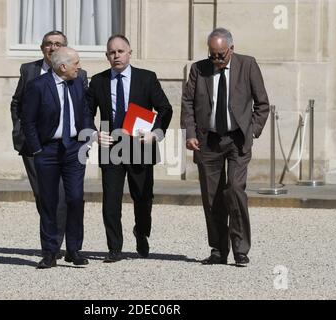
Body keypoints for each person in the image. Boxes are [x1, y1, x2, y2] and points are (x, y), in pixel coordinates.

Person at [181, 28, 269, 267]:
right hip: (208, 140)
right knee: (212, 198)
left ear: (231, 48)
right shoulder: (198, 69)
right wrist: (189, 134)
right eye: (213, 55)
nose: (217, 60)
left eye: (221, 54)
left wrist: (252, 131)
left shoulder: (248, 65)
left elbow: (262, 104)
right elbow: (187, 102)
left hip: (237, 140)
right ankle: (218, 249)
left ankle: (241, 249)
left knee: (235, 190)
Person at [87, 35, 173, 263]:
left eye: (120, 51)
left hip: (140, 146)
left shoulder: (147, 78)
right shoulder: (98, 81)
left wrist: (155, 134)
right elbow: (86, 112)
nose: (116, 56)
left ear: (129, 52)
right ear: (107, 56)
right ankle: (114, 247)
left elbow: (165, 108)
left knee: (143, 198)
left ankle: (141, 232)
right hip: (112, 146)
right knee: (111, 201)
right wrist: (95, 134)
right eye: (112, 53)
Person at [10, 31, 88, 254]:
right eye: (48, 44)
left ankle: (64, 246)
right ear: (42, 47)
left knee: (71, 197)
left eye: (58, 44)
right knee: (45, 197)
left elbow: (84, 109)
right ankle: (52, 246)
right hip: (39, 146)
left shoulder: (78, 76)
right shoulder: (30, 72)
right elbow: (19, 105)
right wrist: (28, 138)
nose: (52, 47)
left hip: (71, 147)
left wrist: (86, 139)